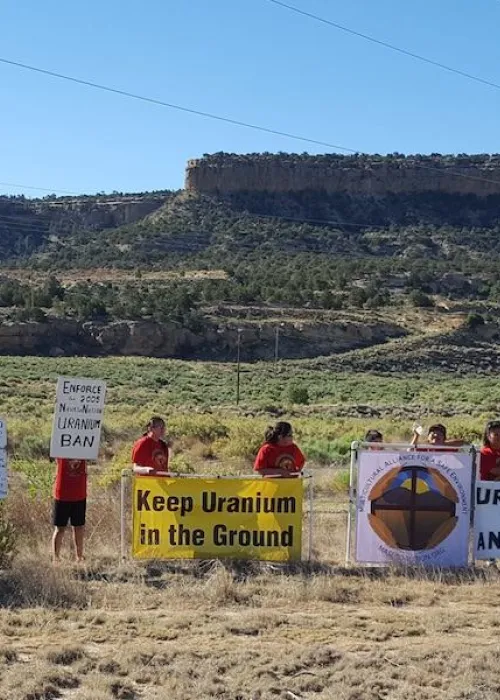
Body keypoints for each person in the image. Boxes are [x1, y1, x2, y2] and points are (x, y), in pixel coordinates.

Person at [52, 458, 87, 563]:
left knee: (79, 527)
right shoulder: (61, 451)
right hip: (62, 494)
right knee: (60, 528)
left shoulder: (84, 450)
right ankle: (56, 558)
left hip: (79, 494)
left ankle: (79, 558)